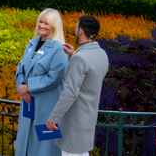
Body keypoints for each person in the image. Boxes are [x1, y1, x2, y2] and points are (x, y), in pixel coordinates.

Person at [46, 14, 108, 156]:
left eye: (76, 25)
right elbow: (91, 75)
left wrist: (53, 118)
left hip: (73, 122)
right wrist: (74, 54)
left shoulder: (80, 58)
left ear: (81, 30)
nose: (74, 27)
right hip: (89, 117)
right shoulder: (102, 54)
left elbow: (70, 92)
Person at [13, 8, 70, 156]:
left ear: (55, 26)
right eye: (41, 21)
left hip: (46, 107)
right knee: (24, 142)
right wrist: (20, 86)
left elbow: (54, 77)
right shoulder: (31, 44)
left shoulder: (59, 49)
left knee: (43, 147)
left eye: (47, 23)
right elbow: (20, 68)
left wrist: (28, 88)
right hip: (28, 104)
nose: (42, 25)